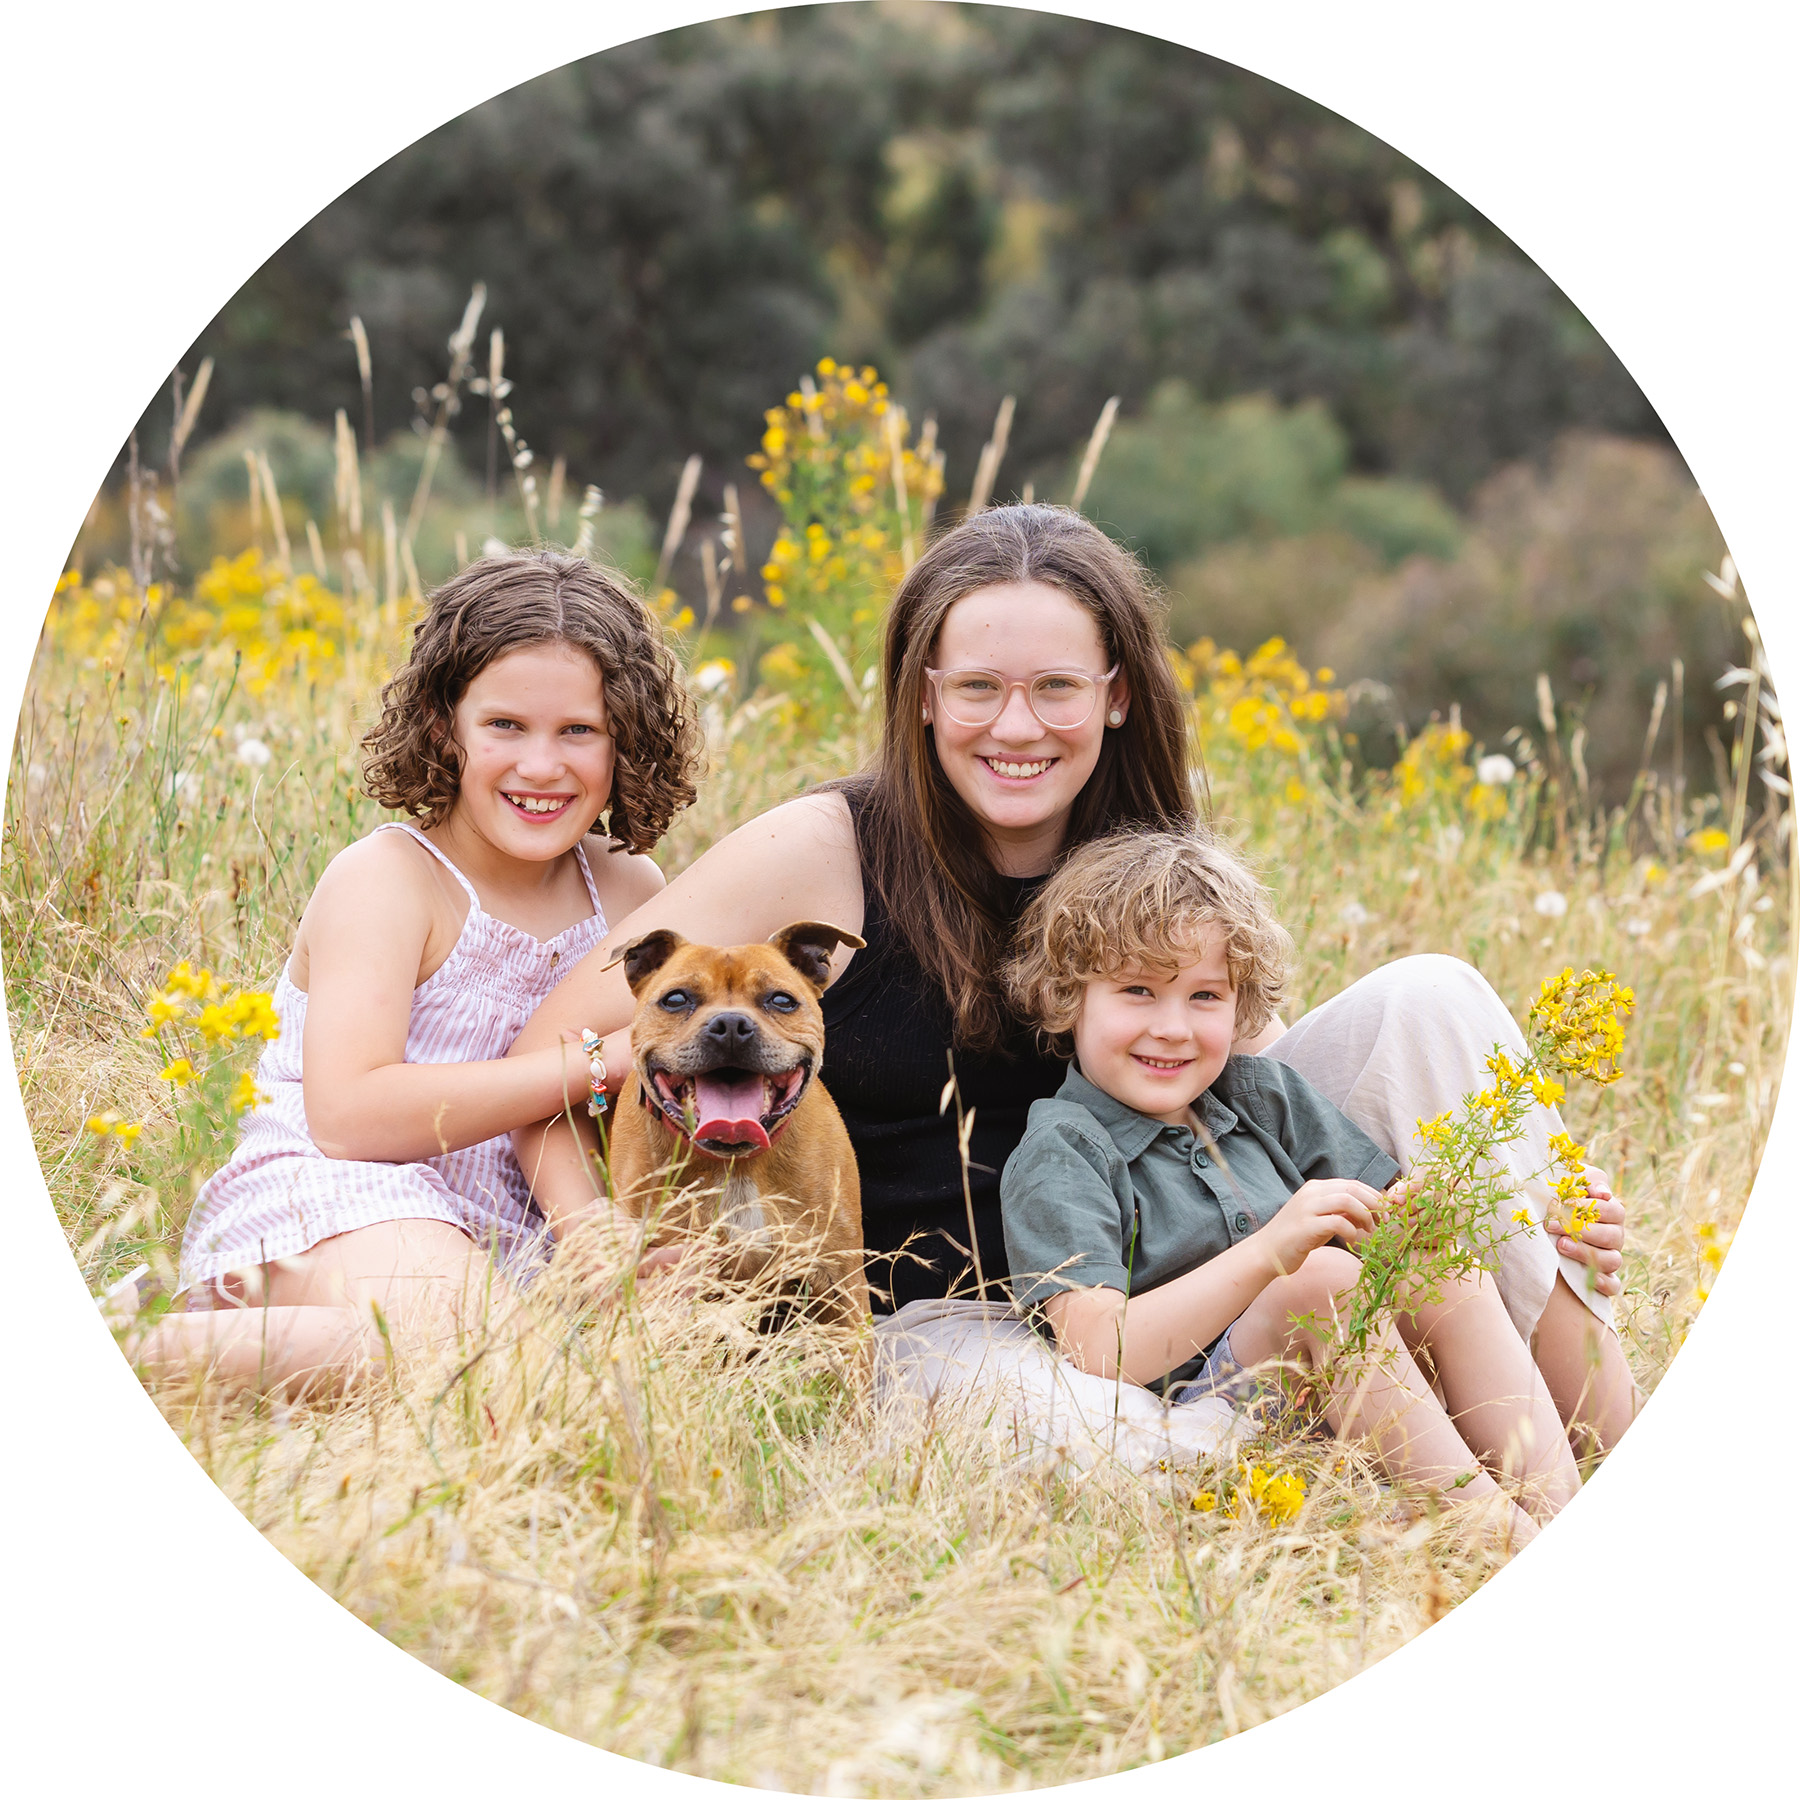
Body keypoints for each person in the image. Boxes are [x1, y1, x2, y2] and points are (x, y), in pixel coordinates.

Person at [508, 504, 1635, 1458]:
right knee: (1102, 1459)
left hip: (1181, 1262)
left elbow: (1242, 1065)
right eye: (978, 688)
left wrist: (1526, 1186)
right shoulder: (824, 848)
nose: (1017, 726)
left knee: (1433, 999)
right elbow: (549, 1059)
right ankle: (1294, 1427)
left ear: (1116, 693)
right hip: (952, 1315)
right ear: (923, 695)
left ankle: (1596, 1444)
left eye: (1056, 687)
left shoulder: (1143, 844)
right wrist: (600, 1237)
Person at [123, 551, 702, 1394]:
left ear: (627, 738)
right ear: (443, 727)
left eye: (579, 730)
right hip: (341, 1192)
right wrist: (600, 1060)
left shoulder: (626, 889)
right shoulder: (390, 879)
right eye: (505, 725)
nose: (542, 765)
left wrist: (594, 1232)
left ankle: (196, 1330)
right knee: (487, 1364)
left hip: (504, 1230)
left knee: (577, 1378)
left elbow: (590, 1119)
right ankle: (101, 1352)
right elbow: (349, 1119)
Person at [999, 828, 1582, 1534]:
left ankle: (1562, 1514)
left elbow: (1379, 1234)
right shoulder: (1064, 1149)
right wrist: (1273, 1252)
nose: (1173, 1027)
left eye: (1204, 995)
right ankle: (1497, 1539)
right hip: (1200, 1413)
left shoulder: (1262, 1096)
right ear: (1069, 997)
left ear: (1240, 1003)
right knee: (1318, 1282)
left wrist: (1410, 1218)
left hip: (1340, 1381)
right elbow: (1096, 1347)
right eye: (1137, 990)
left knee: (1439, 1267)